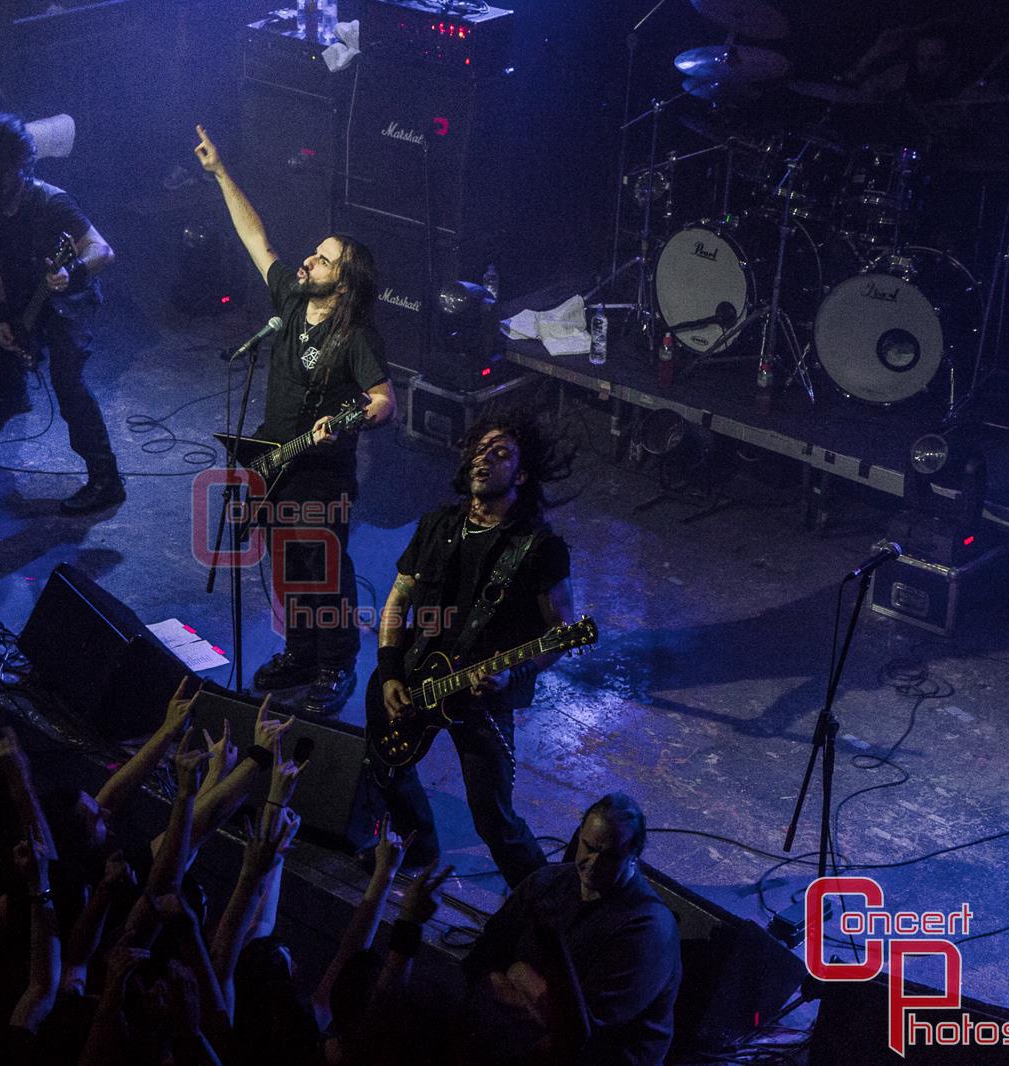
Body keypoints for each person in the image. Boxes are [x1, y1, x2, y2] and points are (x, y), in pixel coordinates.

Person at [193, 123, 397, 715]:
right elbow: (256, 238)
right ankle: (301, 655)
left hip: (323, 473)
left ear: (345, 281)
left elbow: (385, 399)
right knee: (287, 568)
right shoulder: (288, 299)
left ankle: (336, 664)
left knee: (322, 571)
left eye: (325, 258)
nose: (310, 258)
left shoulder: (355, 334)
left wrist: (352, 418)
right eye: (315, 251)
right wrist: (220, 173)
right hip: (275, 460)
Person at [368, 418, 572, 886]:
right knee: (386, 768)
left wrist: (513, 676)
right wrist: (389, 672)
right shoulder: (439, 524)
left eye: (500, 452)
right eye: (480, 450)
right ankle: (418, 849)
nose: (484, 458)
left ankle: (541, 900)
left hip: (482, 698)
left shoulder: (539, 548)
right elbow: (399, 599)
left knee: (492, 817)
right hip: (416, 677)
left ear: (521, 474)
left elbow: (562, 631)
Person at [0, 115, 124, 515]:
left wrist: (75, 272)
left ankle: (106, 480)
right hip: (26, 288)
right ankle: (13, 393)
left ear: (19, 166)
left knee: (67, 382)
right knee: (0, 334)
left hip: (70, 298)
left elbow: (102, 249)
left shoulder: (52, 202)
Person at [460, 793, 682, 1066]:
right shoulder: (547, 883)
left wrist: (518, 976)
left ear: (634, 858)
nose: (594, 863)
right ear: (578, 837)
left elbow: (581, 1034)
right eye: (588, 847)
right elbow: (483, 955)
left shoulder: (648, 931)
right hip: (534, 1032)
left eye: (610, 856)